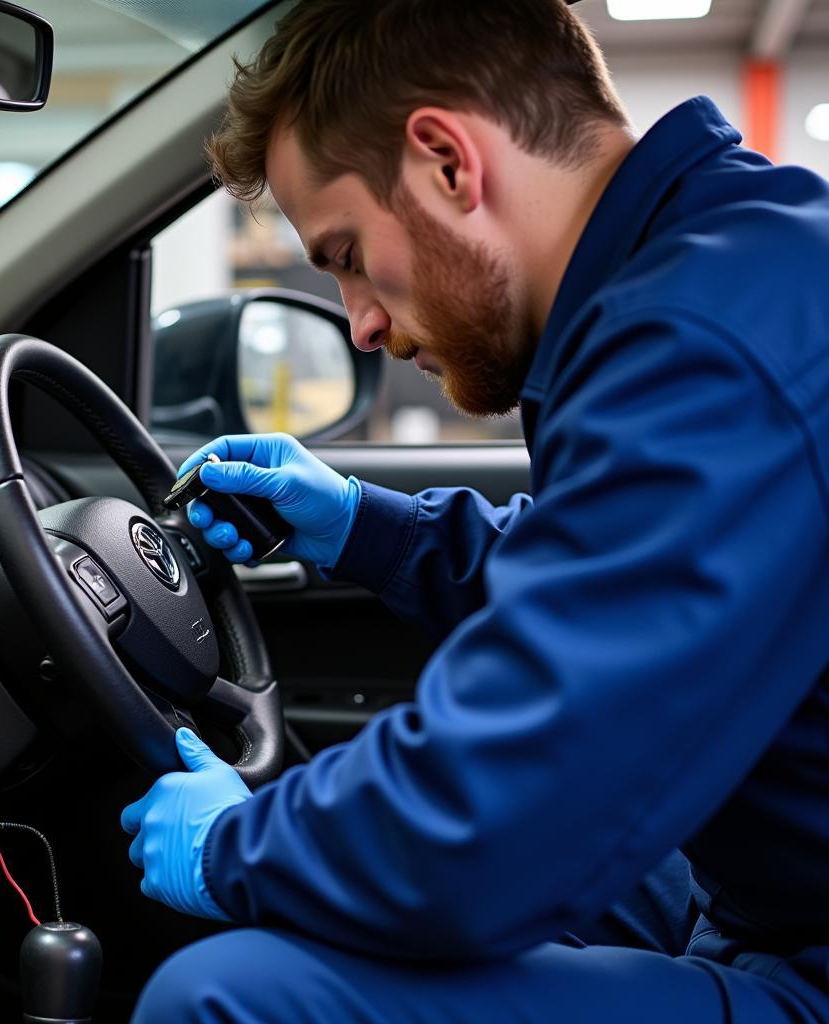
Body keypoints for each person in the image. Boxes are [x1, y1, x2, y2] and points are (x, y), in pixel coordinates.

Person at [120, 1, 829, 1020]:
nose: (359, 325)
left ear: (447, 162)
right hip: (771, 894)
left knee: (226, 997)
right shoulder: (709, 274)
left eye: (347, 253)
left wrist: (237, 843)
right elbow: (614, 590)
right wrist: (361, 524)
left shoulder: (704, 346)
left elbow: (502, 813)